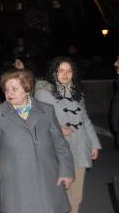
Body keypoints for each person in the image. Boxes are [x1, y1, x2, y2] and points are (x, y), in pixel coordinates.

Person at [0, 69, 74, 213]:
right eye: (6, 89)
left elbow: (60, 144)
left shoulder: (46, 110)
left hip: (46, 174)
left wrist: (66, 171)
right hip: (16, 176)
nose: (9, 93)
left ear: (27, 89)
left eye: (14, 89)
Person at [35, 57, 101, 213]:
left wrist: (94, 144)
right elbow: (38, 121)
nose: (65, 74)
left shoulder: (78, 93)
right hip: (58, 148)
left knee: (76, 194)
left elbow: (85, 120)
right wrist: (58, 128)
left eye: (69, 71)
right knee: (60, 192)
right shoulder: (44, 93)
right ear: (54, 73)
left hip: (79, 146)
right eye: (61, 71)